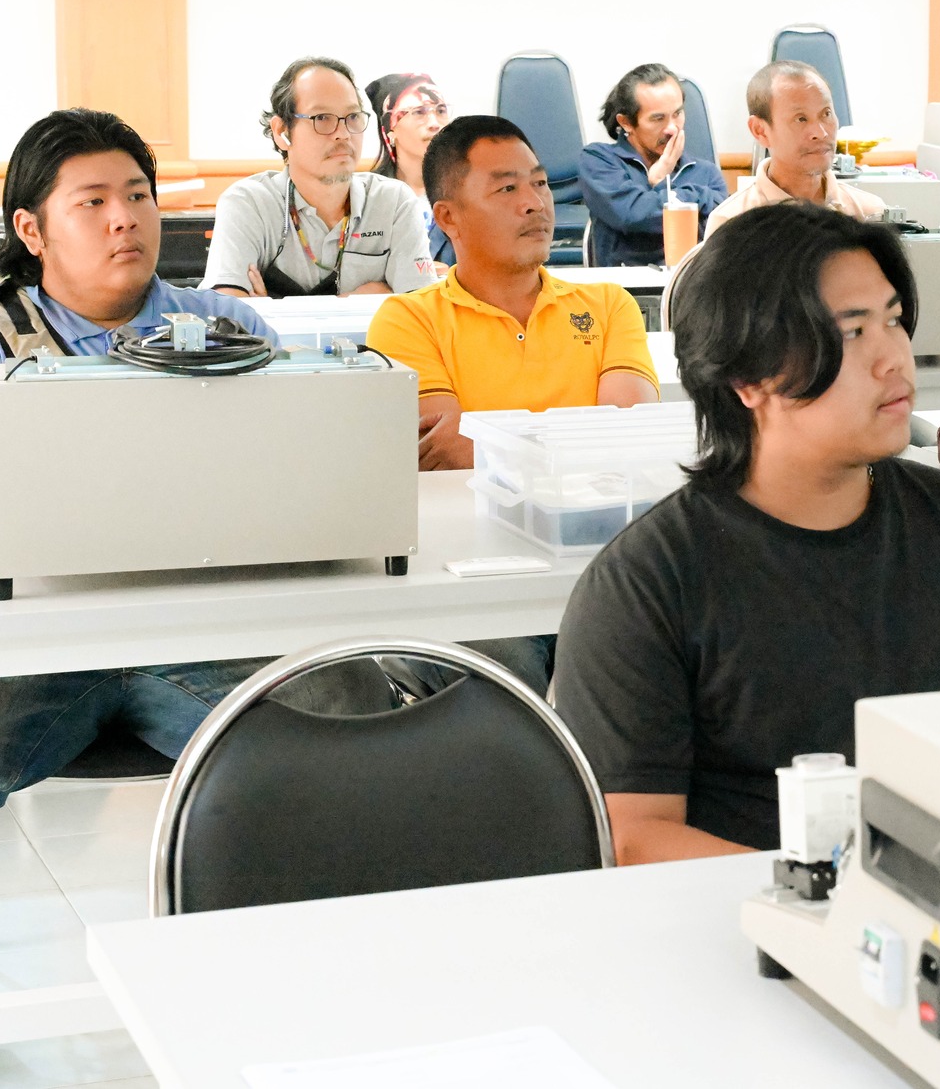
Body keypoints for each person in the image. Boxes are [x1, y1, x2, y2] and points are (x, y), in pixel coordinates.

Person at [0, 108, 385, 1088]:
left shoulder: (229, 328)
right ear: (31, 229)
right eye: (93, 201)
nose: (125, 219)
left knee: (351, 698)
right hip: (25, 649)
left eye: (138, 196)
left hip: (203, 636)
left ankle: (322, 968)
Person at [552, 203, 940, 861]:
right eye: (852, 332)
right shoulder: (647, 584)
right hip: (755, 911)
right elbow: (633, 837)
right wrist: (843, 895)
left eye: (893, 320)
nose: (894, 358)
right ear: (748, 378)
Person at [367, 115, 660, 694]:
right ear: (447, 217)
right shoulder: (408, 319)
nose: (535, 203)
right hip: (473, 575)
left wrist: (497, 440)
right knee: (506, 672)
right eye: (506, 188)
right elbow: (446, 451)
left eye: (541, 183)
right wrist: (579, 439)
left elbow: (628, 434)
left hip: (597, 562)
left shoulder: (608, 305)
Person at [201, 56, 436, 298]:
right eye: (322, 118)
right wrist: (360, 300)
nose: (343, 134)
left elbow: (420, 305)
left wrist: (270, 307)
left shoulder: (393, 202)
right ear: (281, 132)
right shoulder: (249, 203)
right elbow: (228, 307)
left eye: (353, 117)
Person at [703, 62, 884, 234]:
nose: (821, 133)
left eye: (826, 114)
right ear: (760, 131)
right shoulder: (731, 222)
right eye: (801, 119)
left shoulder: (869, 214)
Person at [577, 63, 729, 266]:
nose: (672, 128)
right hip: (625, 283)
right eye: (658, 119)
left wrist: (660, 187)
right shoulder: (598, 160)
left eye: (677, 114)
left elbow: (721, 228)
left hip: (690, 281)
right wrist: (699, 197)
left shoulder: (705, 172)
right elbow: (633, 216)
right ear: (626, 122)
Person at [366, 71, 452, 265]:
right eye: (419, 112)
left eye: (441, 111)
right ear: (390, 130)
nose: (434, 124)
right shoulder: (366, 199)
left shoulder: (468, 193)